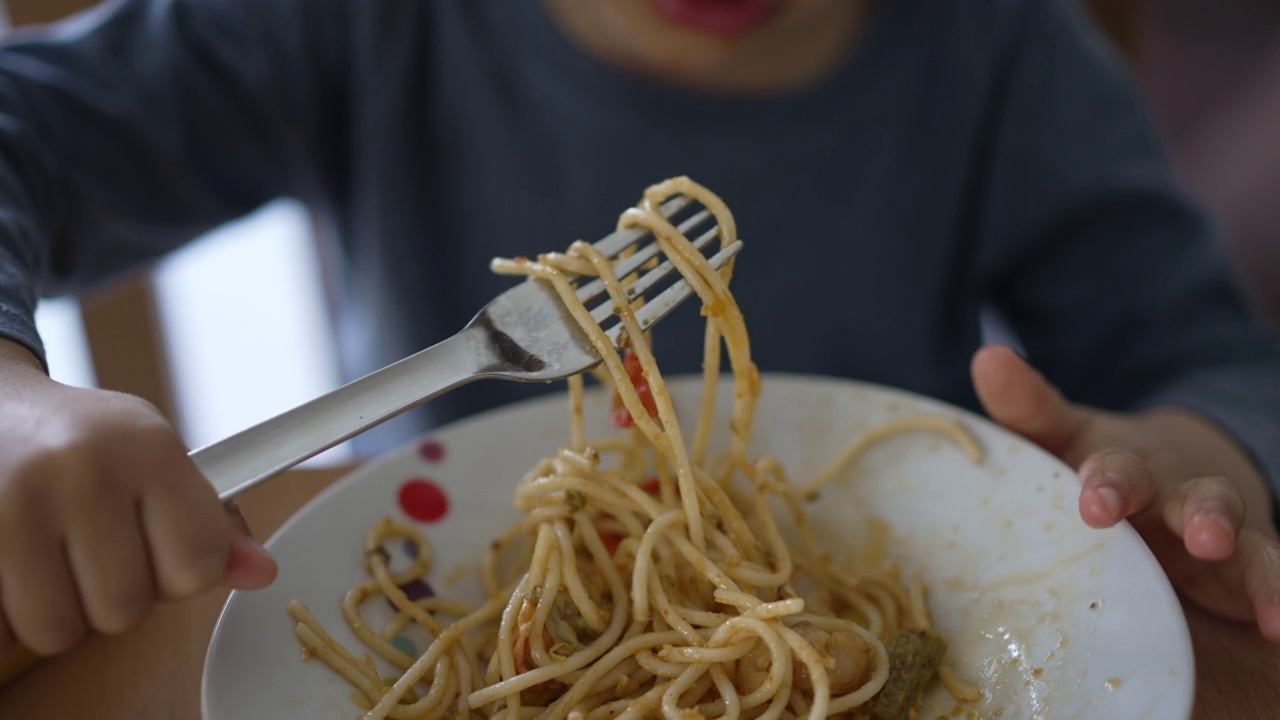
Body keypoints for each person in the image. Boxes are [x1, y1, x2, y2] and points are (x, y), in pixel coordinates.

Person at [0, 0, 1276, 664]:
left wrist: (1185, 443)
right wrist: (17, 398)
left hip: (887, 606)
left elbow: (1207, 356)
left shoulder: (997, 45)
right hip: (453, 610)